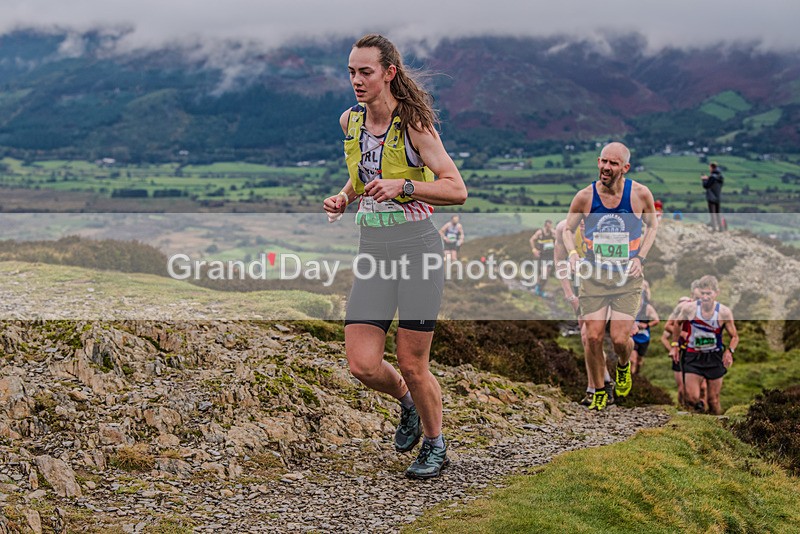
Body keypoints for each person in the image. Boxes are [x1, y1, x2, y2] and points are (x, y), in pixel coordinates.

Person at [323, 34, 467, 479]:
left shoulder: (414, 124)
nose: (356, 80)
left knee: (412, 360)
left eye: (365, 72)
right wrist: (346, 196)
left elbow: (456, 188)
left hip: (417, 247)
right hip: (374, 250)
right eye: (351, 71)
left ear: (389, 72)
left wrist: (406, 187)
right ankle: (407, 403)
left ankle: (435, 444)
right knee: (362, 364)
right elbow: (365, 174)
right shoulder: (350, 121)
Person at [564, 142, 659, 411]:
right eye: (603, 161)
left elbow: (653, 225)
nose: (606, 167)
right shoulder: (585, 197)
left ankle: (623, 365)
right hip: (594, 276)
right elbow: (566, 230)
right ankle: (600, 390)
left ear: (625, 168)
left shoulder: (640, 194)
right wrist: (572, 253)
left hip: (627, 277)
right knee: (592, 337)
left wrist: (641, 258)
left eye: (613, 163)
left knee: (619, 339)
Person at [554, 220, 615, 406]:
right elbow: (559, 262)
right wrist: (570, 295)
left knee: (588, 335)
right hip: (581, 290)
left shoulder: (605, 228)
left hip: (607, 288)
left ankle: (594, 389)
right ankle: (605, 382)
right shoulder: (563, 229)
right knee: (587, 338)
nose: (582, 222)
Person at [669, 275, 738, 415]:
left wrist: (729, 351)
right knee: (691, 398)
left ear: (716, 293)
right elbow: (677, 323)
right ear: (698, 292)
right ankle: (699, 419)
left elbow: (735, 336)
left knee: (713, 400)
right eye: (703, 293)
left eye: (709, 293)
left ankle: (718, 428)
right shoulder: (689, 309)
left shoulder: (724, 312)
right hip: (693, 356)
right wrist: (675, 344)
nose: (705, 297)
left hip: (714, 357)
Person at [661, 295, 692, 406]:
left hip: (692, 353)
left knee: (699, 386)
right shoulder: (675, 320)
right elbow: (664, 337)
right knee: (681, 387)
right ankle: (681, 406)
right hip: (679, 354)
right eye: (681, 303)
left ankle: (698, 408)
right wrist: (672, 349)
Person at [630, 293, 660, 375]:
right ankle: (631, 378)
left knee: (639, 361)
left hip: (644, 338)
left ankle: (636, 374)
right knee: (633, 359)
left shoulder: (647, 308)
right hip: (632, 337)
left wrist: (647, 325)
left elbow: (656, 320)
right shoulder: (629, 307)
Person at [530, 219, 556, 297]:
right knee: (543, 273)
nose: (550, 228)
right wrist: (534, 249)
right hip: (542, 255)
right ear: (545, 225)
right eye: (548, 226)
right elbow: (531, 240)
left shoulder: (553, 232)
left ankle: (540, 289)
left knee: (547, 274)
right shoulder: (540, 232)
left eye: (551, 226)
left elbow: (559, 239)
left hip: (550, 256)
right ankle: (537, 287)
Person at [701, 162, 724, 232]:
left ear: (712, 167)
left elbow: (706, 186)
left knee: (713, 214)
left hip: (711, 197)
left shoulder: (712, 177)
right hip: (718, 197)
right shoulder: (720, 177)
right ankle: (721, 228)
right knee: (718, 213)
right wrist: (709, 178)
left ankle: (714, 228)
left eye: (710, 167)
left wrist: (704, 180)